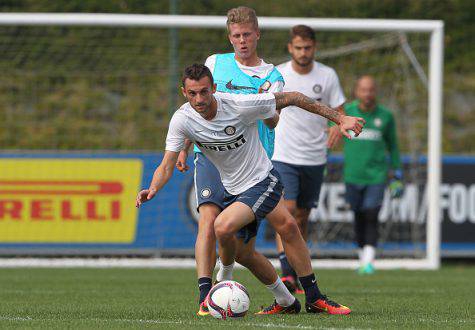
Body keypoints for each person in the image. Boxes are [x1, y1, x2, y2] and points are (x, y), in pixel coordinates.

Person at [137, 64, 365, 314]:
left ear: (214, 88)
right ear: (184, 92)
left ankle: (226, 280)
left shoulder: (239, 104)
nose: (199, 99)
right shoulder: (181, 119)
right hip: (235, 190)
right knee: (248, 251)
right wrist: (153, 188)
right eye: (192, 94)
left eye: (204, 92)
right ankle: (288, 301)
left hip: (262, 181)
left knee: (222, 226)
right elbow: (166, 164)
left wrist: (340, 118)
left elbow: (294, 98)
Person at [175, 6, 285, 315]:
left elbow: (274, 121)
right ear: (230, 37)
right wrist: (184, 146)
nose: (242, 41)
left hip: (251, 164)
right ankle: (204, 295)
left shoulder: (272, 76)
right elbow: (197, 108)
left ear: (257, 34)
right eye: (236, 36)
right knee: (208, 221)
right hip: (209, 154)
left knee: (277, 230)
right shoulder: (215, 63)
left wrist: (264, 107)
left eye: (247, 35)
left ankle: (294, 293)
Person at [272, 25, 346, 293]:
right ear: (290, 48)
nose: (303, 52)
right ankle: (287, 273)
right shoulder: (279, 74)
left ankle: (295, 270)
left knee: (302, 217)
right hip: (283, 154)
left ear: (314, 48)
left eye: (308, 48)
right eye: (298, 48)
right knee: (287, 212)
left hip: (315, 156)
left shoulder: (327, 75)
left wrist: (338, 126)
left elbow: (339, 110)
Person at [343, 75, 403, 275]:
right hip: (352, 175)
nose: (367, 94)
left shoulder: (385, 116)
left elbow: (393, 146)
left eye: (370, 90)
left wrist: (397, 172)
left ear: (375, 91)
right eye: (363, 89)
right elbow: (333, 134)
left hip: (376, 176)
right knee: (358, 215)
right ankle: (363, 258)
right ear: (357, 91)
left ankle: (369, 261)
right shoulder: (347, 112)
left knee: (371, 214)